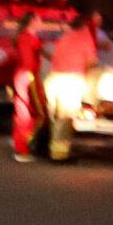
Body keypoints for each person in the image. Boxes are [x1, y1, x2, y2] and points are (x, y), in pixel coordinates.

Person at [45, 13, 100, 163]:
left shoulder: (65, 37)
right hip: (70, 80)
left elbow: (55, 57)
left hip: (53, 79)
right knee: (66, 118)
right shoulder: (85, 37)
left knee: (56, 118)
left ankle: (52, 148)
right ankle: (59, 154)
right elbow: (92, 61)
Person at [8, 14, 45, 162]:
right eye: (39, 19)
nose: (42, 22)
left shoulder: (24, 37)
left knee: (24, 112)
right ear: (32, 22)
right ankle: (23, 147)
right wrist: (31, 77)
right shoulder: (27, 38)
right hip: (28, 77)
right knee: (35, 113)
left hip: (23, 76)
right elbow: (29, 60)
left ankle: (20, 142)